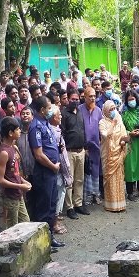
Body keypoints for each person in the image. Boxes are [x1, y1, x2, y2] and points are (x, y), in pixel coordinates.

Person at [28, 96, 65, 249]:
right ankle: (42, 243)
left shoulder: (45, 123)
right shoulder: (35, 126)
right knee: (43, 208)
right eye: (49, 108)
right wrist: (52, 166)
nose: (51, 110)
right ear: (42, 110)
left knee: (51, 205)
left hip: (51, 171)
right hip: (44, 172)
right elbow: (38, 154)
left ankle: (50, 238)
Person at [0, 117, 31, 228]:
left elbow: (14, 173)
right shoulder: (4, 153)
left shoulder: (13, 147)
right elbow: (0, 180)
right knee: (13, 228)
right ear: (11, 133)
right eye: (17, 129)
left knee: (26, 223)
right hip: (10, 197)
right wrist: (20, 186)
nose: (20, 131)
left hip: (18, 194)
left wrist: (24, 181)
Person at [61, 89, 89, 219]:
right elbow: (62, 133)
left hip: (81, 151)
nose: (75, 101)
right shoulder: (64, 114)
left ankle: (78, 204)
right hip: (69, 152)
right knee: (69, 181)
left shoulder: (81, 112)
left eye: (77, 99)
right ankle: (70, 207)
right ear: (67, 99)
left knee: (79, 179)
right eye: (72, 99)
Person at [99, 101, 129, 212]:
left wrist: (123, 142)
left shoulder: (119, 119)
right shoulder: (102, 122)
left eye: (114, 108)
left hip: (118, 153)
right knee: (110, 179)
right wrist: (112, 123)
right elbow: (105, 135)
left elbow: (124, 135)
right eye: (110, 109)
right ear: (105, 111)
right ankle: (110, 204)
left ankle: (120, 203)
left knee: (119, 178)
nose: (113, 111)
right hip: (108, 155)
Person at [78, 87, 103, 206]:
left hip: (96, 147)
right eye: (90, 96)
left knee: (96, 171)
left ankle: (95, 194)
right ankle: (86, 196)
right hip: (83, 146)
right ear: (85, 97)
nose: (93, 98)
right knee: (85, 171)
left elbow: (101, 128)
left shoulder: (98, 110)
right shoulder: (79, 109)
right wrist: (83, 147)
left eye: (94, 96)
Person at [48, 104, 71, 234]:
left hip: (61, 166)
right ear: (52, 117)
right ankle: (54, 223)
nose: (61, 116)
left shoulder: (56, 129)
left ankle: (55, 220)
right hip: (58, 168)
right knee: (58, 194)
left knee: (60, 193)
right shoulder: (52, 132)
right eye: (59, 115)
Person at [122, 90, 139, 201]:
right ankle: (130, 192)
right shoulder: (124, 114)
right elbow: (121, 129)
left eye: (133, 99)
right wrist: (129, 133)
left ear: (136, 99)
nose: (131, 101)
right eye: (129, 100)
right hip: (130, 144)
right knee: (129, 167)